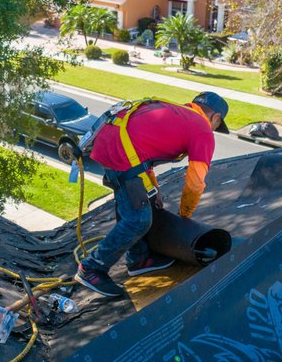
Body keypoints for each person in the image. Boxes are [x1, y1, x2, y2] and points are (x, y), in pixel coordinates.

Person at [74, 91, 229, 297]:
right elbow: (195, 183)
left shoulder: (176, 112)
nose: (215, 129)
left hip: (112, 141)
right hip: (119, 151)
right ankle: (92, 268)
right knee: (139, 219)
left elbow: (141, 151)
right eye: (218, 125)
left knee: (136, 202)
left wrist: (152, 188)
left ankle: (138, 259)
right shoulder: (202, 129)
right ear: (216, 117)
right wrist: (185, 215)